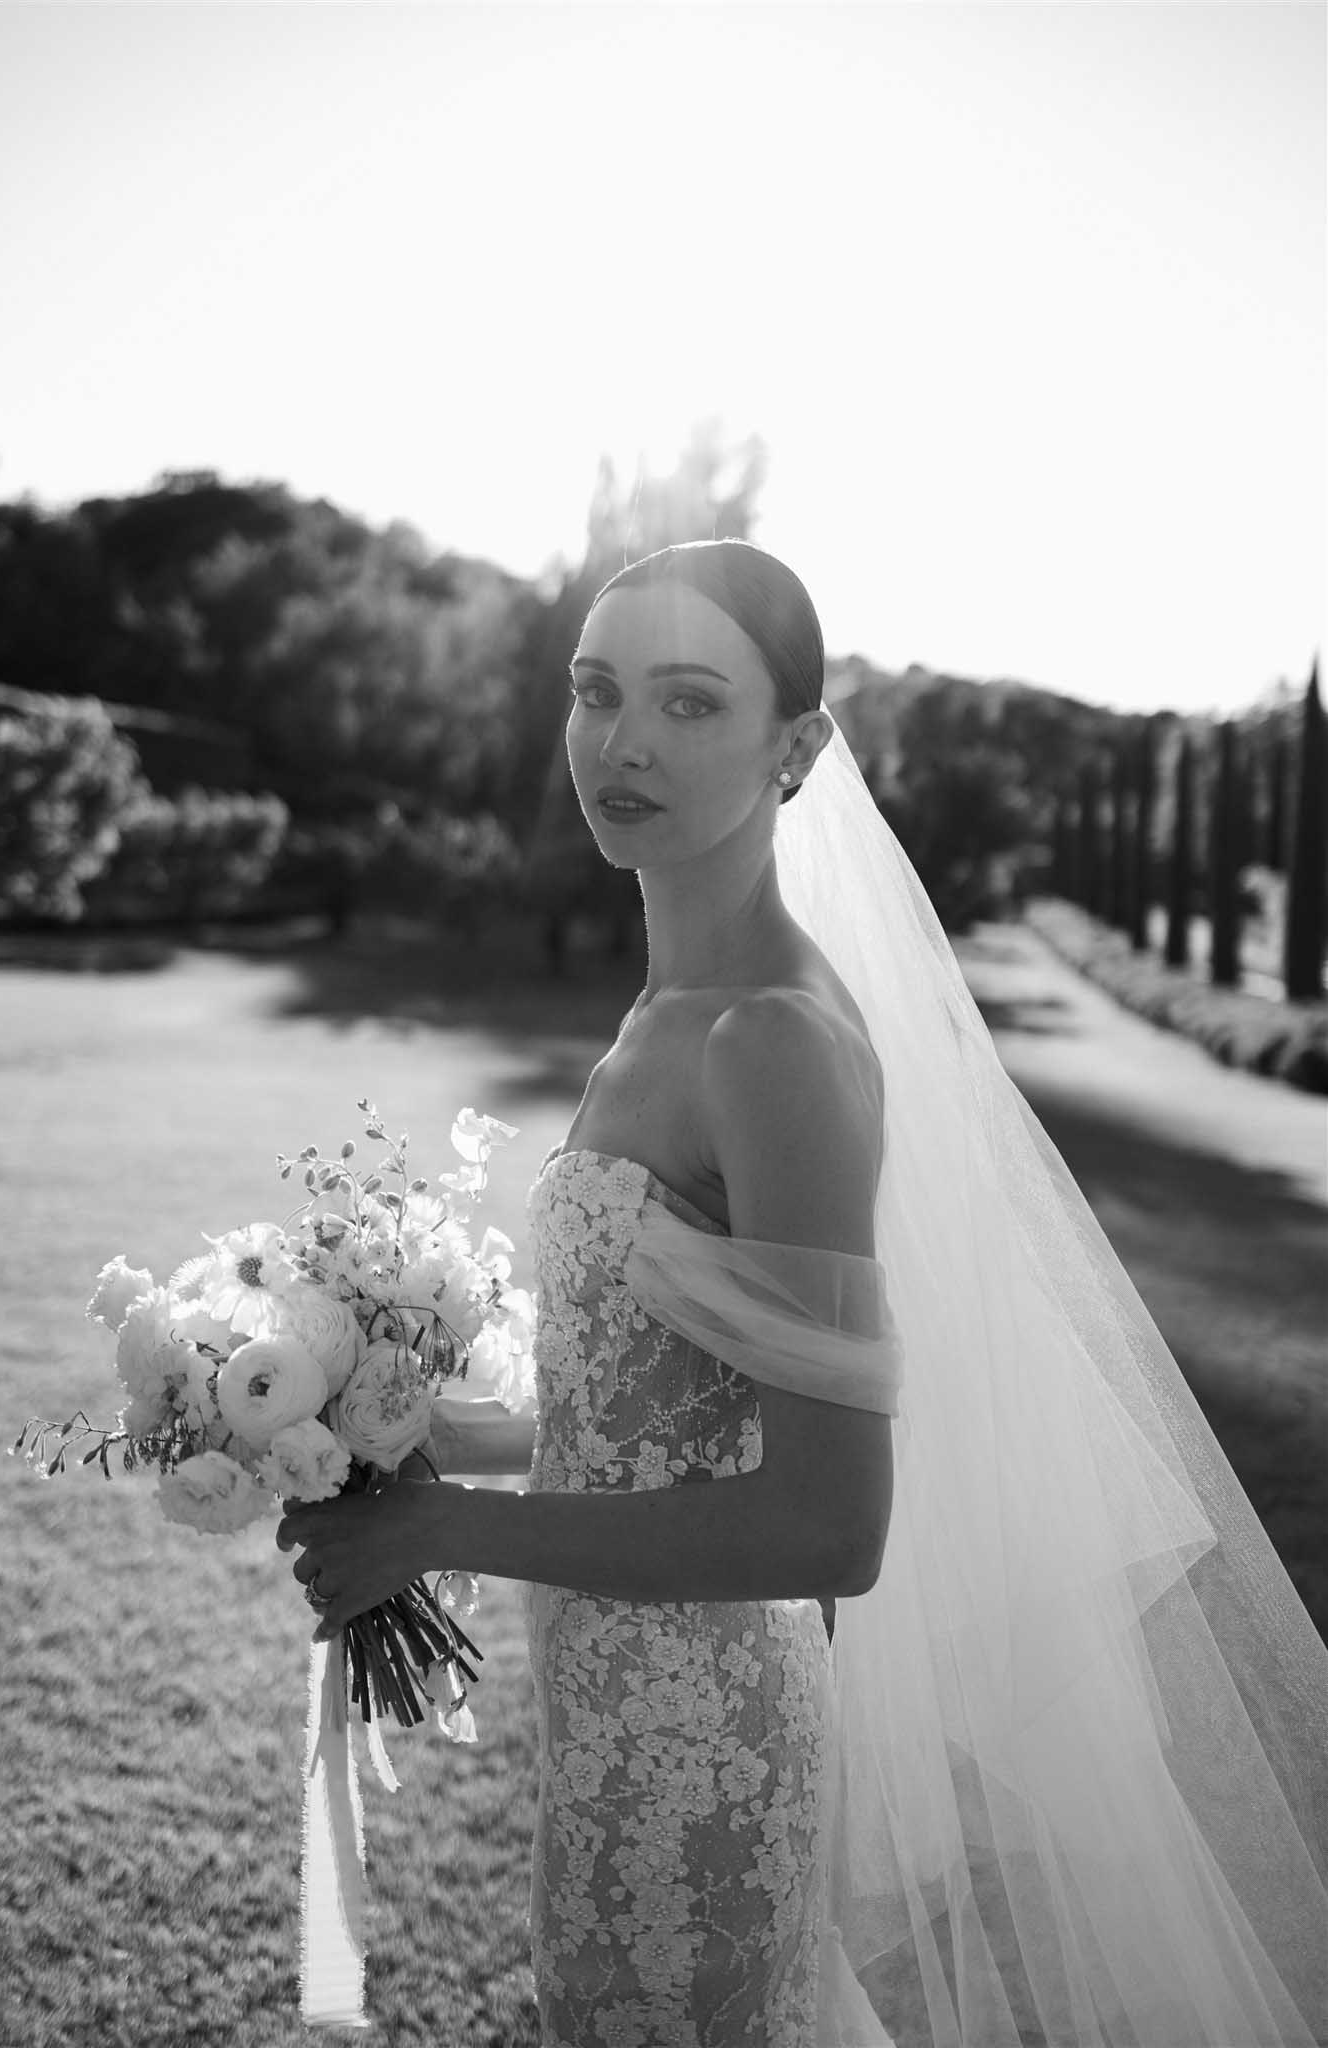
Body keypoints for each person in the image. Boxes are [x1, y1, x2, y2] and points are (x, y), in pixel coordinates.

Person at [280, 541, 1328, 2047]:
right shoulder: (664, 1012)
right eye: (595, 692)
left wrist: (436, 1530)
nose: (623, 742)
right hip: (604, 1703)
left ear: (798, 748)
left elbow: (829, 1526)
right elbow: (642, 1418)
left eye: (688, 702)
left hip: (704, 1726)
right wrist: (377, 1433)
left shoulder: (769, 1043)